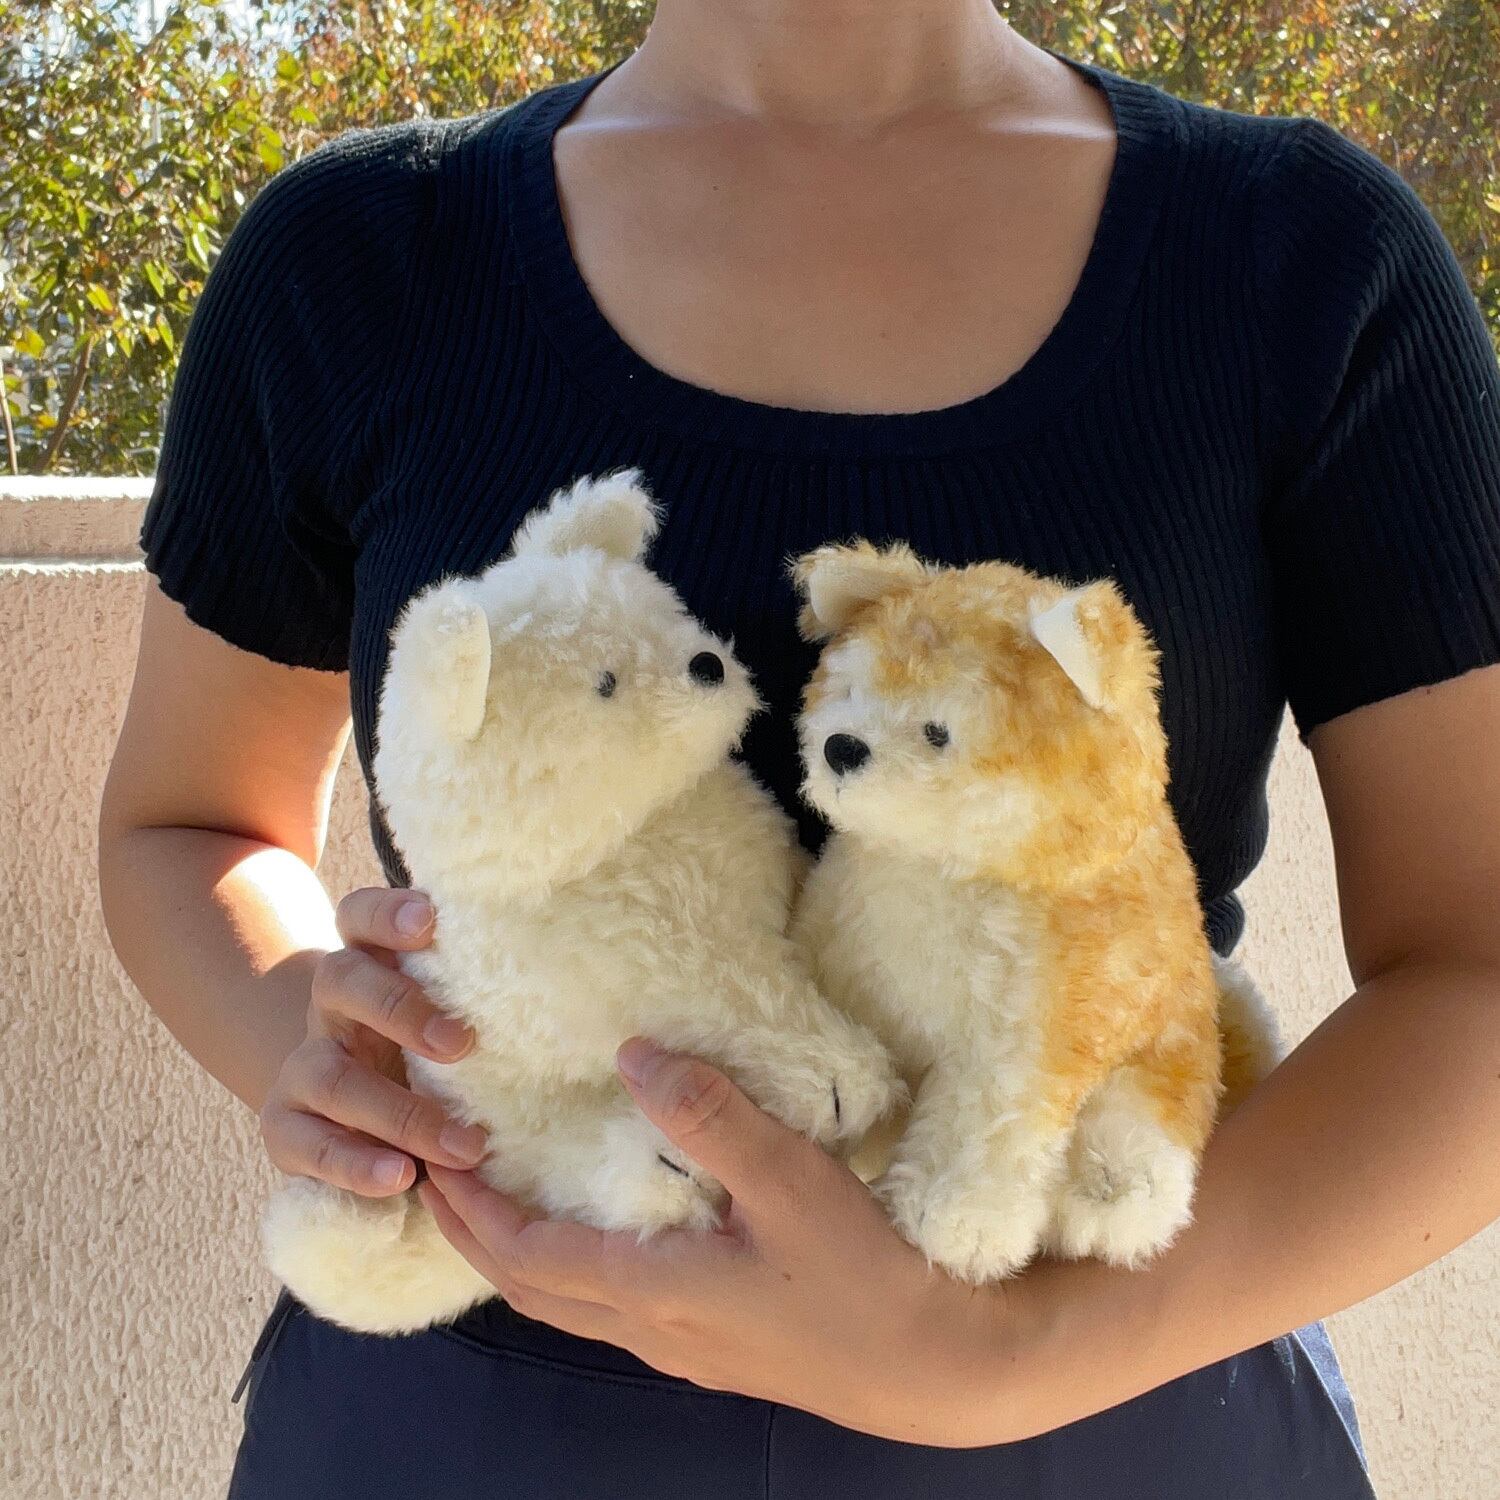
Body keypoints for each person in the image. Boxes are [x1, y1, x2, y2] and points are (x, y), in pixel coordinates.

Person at [97, 3, 1500, 1495]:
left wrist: (1008, 1359)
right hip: (471, 1407)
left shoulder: (1307, 261)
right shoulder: (355, 262)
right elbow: (193, 821)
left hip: (1118, 1401)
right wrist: (351, 1070)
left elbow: (1472, 959)